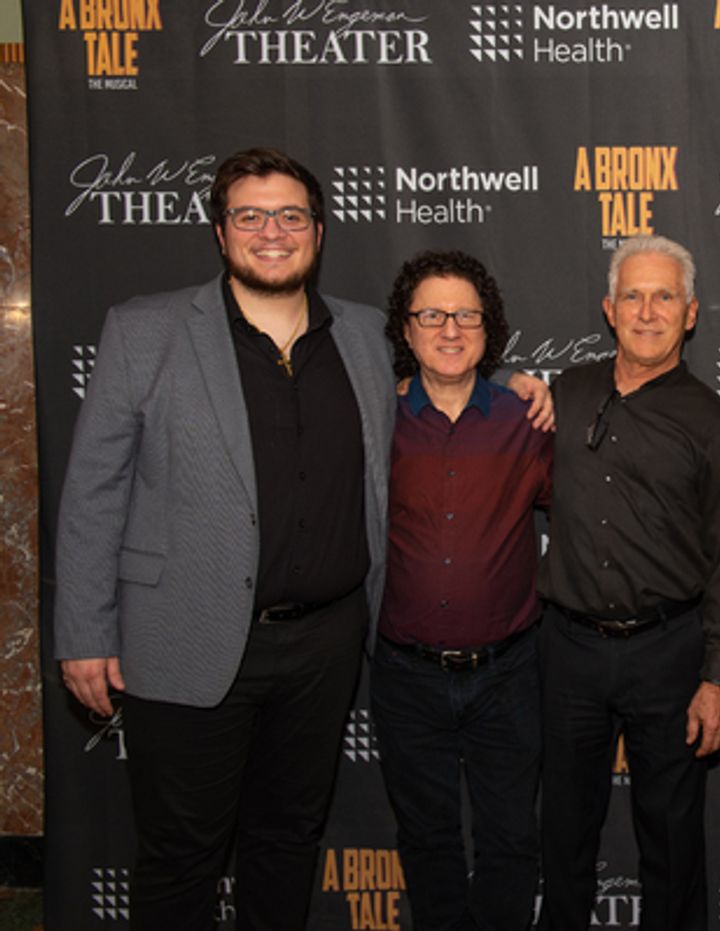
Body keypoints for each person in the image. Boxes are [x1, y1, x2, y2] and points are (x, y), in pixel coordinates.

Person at [52, 147, 396, 930]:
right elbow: (93, 494)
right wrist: (83, 630)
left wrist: (517, 386)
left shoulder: (368, 336)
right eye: (250, 215)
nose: (271, 232)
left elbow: (448, 379)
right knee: (181, 855)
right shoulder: (145, 329)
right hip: (181, 632)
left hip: (325, 645)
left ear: (318, 230)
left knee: (289, 841)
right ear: (220, 231)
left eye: (290, 216)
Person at [535, 235, 720, 931]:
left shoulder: (715, 424)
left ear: (690, 313)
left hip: (669, 652)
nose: (647, 311)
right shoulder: (566, 393)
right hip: (568, 649)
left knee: (672, 839)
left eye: (664, 297)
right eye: (633, 295)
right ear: (608, 307)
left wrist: (718, 677)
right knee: (564, 832)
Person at [370, 250, 552, 931]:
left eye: (466, 315)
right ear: (406, 329)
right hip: (404, 673)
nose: (450, 328)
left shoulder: (528, 419)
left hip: (508, 671)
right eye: (432, 314)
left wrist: (541, 390)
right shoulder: (374, 417)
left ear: (488, 326)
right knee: (427, 841)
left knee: (510, 841)